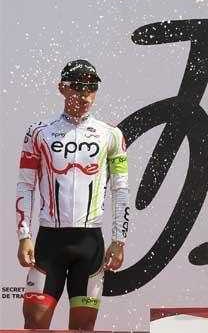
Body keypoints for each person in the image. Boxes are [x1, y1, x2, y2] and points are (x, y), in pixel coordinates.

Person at [15, 59, 130, 330]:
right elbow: (25, 185)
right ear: (62, 88)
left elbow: (121, 189)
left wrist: (119, 240)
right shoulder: (38, 132)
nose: (85, 94)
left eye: (92, 87)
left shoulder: (111, 134)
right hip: (49, 244)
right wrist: (24, 235)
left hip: (89, 243)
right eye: (78, 86)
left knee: (82, 329)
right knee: (34, 324)